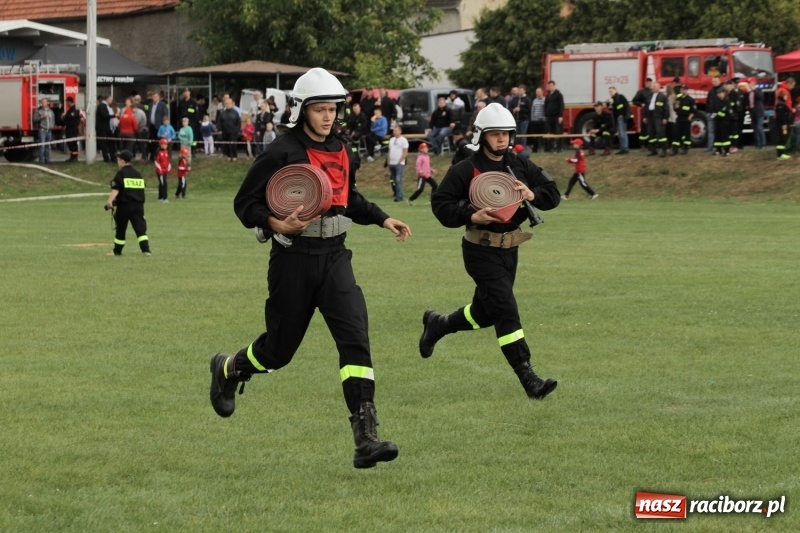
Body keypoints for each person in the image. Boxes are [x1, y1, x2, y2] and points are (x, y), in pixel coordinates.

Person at [209, 67, 411, 469]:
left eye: (332, 109)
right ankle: (230, 368)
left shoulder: (343, 148)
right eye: (319, 109)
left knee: (355, 339)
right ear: (301, 110)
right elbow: (244, 203)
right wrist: (274, 222)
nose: (327, 117)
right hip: (292, 260)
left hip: (336, 257)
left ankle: (365, 435)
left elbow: (346, 197)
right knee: (278, 352)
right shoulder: (281, 150)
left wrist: (383, 218)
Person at [420, 102, 560, 400]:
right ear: (482, 135)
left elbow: (553, 193)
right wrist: (470, 216)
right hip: (479, 249)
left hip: (511, 249)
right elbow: (440, 204)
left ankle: (439, 324)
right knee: (506, 308)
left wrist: (532, 193)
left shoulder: (521, 164)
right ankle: (528, 377)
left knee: (486, 313)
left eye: (507, 134)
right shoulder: (464, 169)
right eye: (495, 134)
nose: (502, 139)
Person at [105, 150, 151, 256]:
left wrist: (109, 202)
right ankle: (146, 250)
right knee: (140, 229)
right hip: (139, 206)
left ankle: (117, 251)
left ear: (122, 161)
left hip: (125, 206)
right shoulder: (138, 174)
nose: (117, 161)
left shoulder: (121, 173)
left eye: (118, 159)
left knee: (121, 229)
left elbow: (116, 189)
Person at [644, 81, 669, 157]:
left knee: (660, 133)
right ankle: (653, 150)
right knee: (651, 133)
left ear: (659, 87)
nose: (653, 87)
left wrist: (665, 118)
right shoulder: (649, 95)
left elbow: (666, 108)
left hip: (658, 117)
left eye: (655, 86)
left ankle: (664, 149)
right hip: (650, 116)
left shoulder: (663, 97)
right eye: (653, 86)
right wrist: (645, 116)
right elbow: (646, 107)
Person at [385, 125, 409, 202]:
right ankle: (398, 194)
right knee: (395, 180)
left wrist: (400, 161)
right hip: (391, 163)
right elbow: (389, 151)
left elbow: (405, 152)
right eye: (393, 131)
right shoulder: (391, 140)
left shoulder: (403, 140)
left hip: (399, 163)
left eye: (396, 130)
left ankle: (399, 196)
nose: (394, 132)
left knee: (398, 180)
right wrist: (388, 161)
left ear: (400, 131)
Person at [631, 78, 653, 149]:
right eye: (648, 83)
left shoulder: (652, 92)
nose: (649, 84)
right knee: (644, 129)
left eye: (650, 83)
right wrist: (641, 104)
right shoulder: (641, 92)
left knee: (651, 129)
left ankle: (650, 144)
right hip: (644, 113)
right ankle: (642, 144)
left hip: (652, 113)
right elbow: (634, 100)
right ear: (645, 83)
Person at [674, 84, 696, 155]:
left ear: (687, 90)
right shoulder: (678, 98)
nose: (683, 91)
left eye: (684, 89)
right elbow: (675, 108)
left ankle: (685, 148)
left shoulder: (690, 99)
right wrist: (675, 107)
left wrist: (690, 116)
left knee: (686, 134)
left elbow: (694, 110)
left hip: (686, 118)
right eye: (682, 89)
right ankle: (675, 148)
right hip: (679, 118)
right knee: (677, 133)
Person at [147, 91, 169, 161]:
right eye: (153, 96)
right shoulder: (150, 105)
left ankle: (160, 157)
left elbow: (165, 115)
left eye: (156, 96)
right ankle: (152, 157)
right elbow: (148, 115)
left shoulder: (163, 105)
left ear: (159, 97)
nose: (154, 98)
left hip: (160, 127)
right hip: (152, 126)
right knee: (152, 142)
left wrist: (164, 126)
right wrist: (148, 125)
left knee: (160, 142)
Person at [608, 86, 630, 154]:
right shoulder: (614, 100)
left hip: (621, 118)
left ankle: (625, 148)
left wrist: (624, 116)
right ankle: (622, 148)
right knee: (620, 134)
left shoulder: (620, 97)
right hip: (618, 118)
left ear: (615, 90)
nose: (610, 93)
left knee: (622, 133)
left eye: (611, 91)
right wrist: (608, 104)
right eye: (609, 92)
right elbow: (611, 109)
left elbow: (626, 106)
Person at [33, 98, 55, 164]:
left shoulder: (50, 111)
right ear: (41, 103)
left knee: (48, 146)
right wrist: (41, 117)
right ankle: (42, 160)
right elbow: (34, 119)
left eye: (45, 102)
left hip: (49, 131)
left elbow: (53, 119)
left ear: (47, 103)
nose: (44, 103)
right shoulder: (39, 111)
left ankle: (47, 160)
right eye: (42, 102)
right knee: (42, 146)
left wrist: (52, 125)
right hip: (42, 130)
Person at [544, 80, 564, 152]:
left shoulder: (559, 95)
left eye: (551, 86)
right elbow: (545, 105)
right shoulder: (548, 95)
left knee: (558, 132)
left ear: (554, 86)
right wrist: (546, 114)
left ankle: (559, 147)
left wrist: (560, 116)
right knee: (550, 132)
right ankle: (551, 147)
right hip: (549, 117)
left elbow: (561, 105)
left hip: (557, 117)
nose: (550, 87)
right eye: (549, 86)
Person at [705, 75, 723, 152]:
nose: (714, 83)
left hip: (719, 114)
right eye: (713, 81)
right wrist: (708, 111)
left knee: (719, 131)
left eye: (716, 81)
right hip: (710, 113)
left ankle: (719, 146)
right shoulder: (711, 91)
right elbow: (708, 102)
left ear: (719, 81)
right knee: (710, 130)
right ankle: (710, 147)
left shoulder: (722, 90)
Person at [774, 86, 793, 161]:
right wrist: (784, 124)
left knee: (783, 138)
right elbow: (781, 116)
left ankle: (781, 154)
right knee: (782, 138)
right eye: (785, 96)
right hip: (783, 125)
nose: (786, 97)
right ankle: (780, 154)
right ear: (782, 96)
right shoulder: (780, 105)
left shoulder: (780, 104)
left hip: (783, 124)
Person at [746, 78, 765, 149]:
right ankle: (757, 143)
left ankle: (763, 143)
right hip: (752, 112)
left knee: (759, 127)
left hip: (759, 112)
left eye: (750, 83)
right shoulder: (749, 92)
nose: (749, 84)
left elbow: (761, 97)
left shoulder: (758, 90)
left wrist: (754, 90)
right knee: (755, 128)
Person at [61, 96, 82, 162]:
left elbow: (72, 116)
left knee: (73, 143)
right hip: (69, 128)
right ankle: (72, 156)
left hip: (73, 129)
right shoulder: (70, 109)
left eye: (67, 102)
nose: (66, 103)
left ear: (70, 102)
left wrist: (65, 115)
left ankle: (75, 157)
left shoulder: (75, 109)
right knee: (70, 143)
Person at [713, 85, 731, 156]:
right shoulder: (717, 101)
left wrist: (717, 114)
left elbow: (724, 112)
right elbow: (714, 110)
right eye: (718, 94)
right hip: (718, 121)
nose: (719, 95)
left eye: (720, 93)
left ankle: (727, 150)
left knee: (725, 136)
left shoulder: (726, 101)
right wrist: (715, 114)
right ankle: (718, 150)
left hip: (724, 121)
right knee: (718, 135)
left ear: (724, 93)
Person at [96, 95, 114, 162]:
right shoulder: (102, 106)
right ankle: (106, 158)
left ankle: (112, 157)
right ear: (107, 99)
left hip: (107, 127)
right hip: (103, 128)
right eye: (111, 100)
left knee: (110, 143)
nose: (111, 101)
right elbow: (105, 115)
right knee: (104, 143)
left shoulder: (107, 106)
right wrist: (114, 115)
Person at [154, 138, 172, 202]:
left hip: (165, 170)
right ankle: (165, 198)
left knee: (162, 183)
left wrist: (169, 167)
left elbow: (168, 161)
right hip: (160, 171)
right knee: (164, 183)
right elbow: (156, 162)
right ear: (160, 145)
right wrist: (160, 170)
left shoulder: (166, 152)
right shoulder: (158, 152)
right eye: (163, 144)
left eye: (166, 144)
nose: (165, 146)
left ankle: (160, 197)